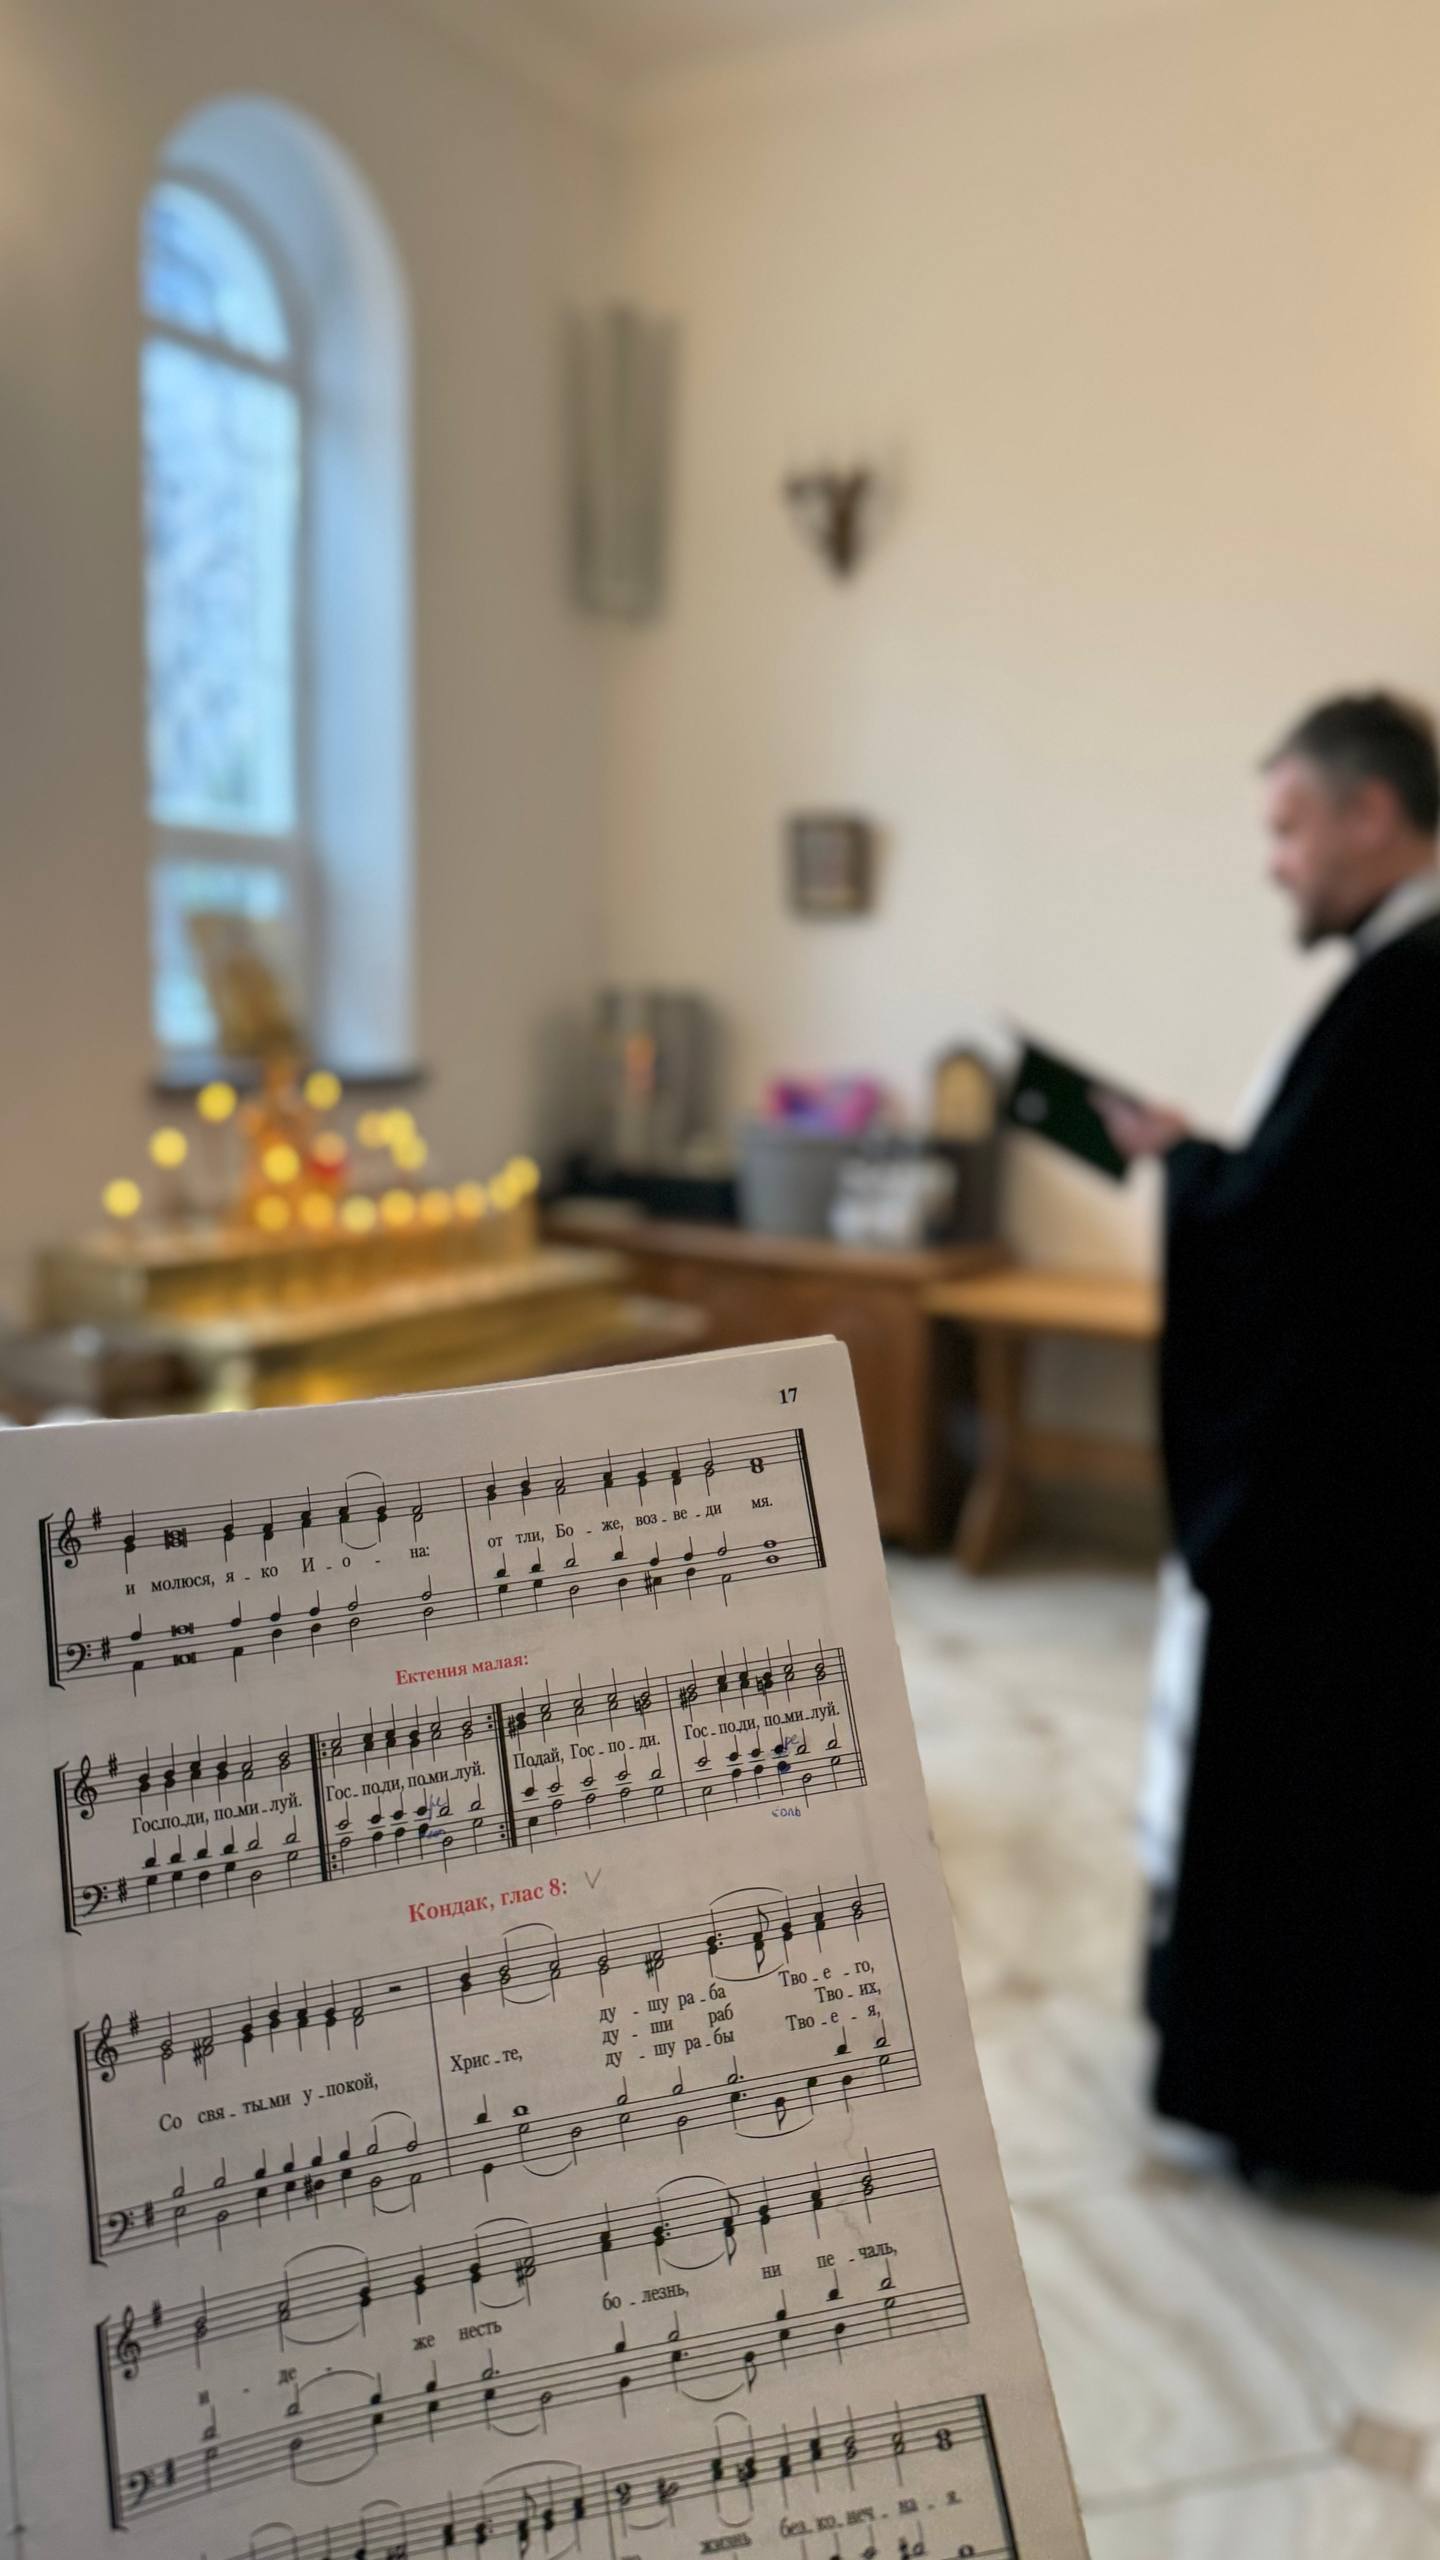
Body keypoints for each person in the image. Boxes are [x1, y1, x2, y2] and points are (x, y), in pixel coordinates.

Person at [1102, 692, 1440, 2190]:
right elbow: (1337, 1219)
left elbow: (1294, 1249)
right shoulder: (1398, 983)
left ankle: (1305, 2103)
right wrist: (1212, 1169)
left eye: (1292, 827)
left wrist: (1191, 1177)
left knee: (1329, 1799)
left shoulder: (1411, 991)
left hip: (1348, 1506)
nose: (1277, 862)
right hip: (1384, 1478)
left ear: (1374, 814)